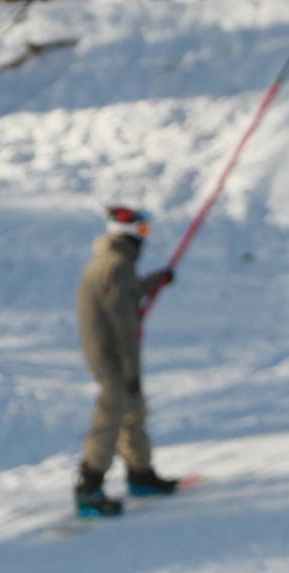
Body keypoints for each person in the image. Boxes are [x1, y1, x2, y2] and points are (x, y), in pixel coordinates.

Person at [74, 205, 181, 517]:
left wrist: (155, 281)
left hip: (107, 352)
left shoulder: (110, 262)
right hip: (113, 356)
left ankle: (140, 473)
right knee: (112, 414)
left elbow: (125, 295)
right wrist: (131, 370)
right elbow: (124, 325)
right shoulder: (118, 265)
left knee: (134, 409)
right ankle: (89, 486)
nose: (145, 239)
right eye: (144, 231)